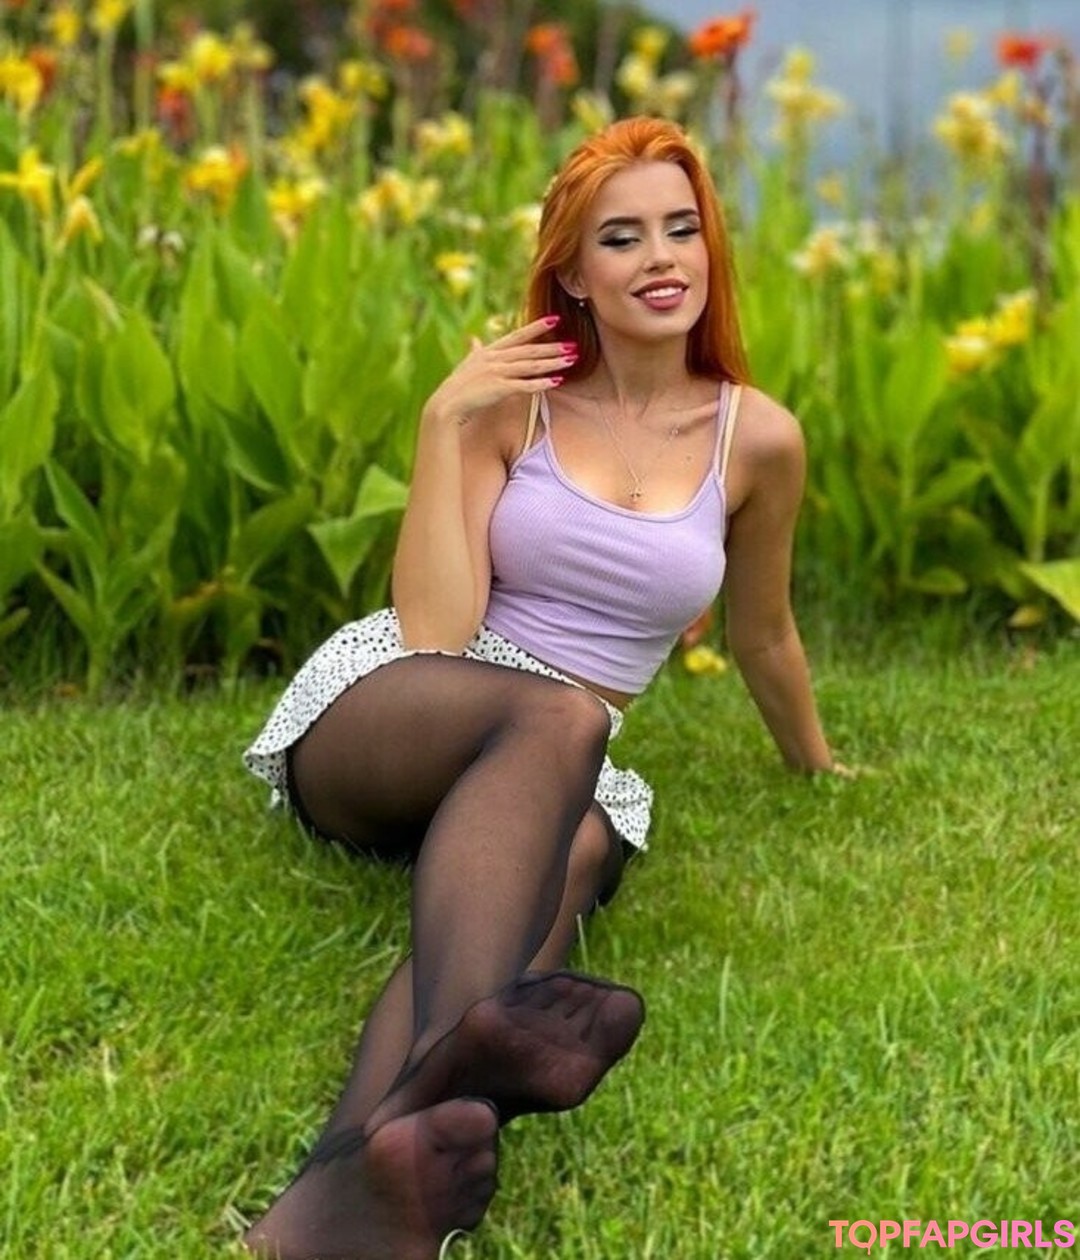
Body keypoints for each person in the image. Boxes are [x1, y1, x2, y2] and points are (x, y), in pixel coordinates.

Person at [240, 115, 838, 1260]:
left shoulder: (757, 440)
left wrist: (817, 764)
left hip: (564, 763)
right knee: (563, 713)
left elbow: (764, 635)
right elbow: (432, 631)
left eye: (681, 229)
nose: (660, 258)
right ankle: (452, 1065)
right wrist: (442, 422)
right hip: (408, 707)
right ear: (572, 273)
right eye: (622, 237)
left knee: (577, 844)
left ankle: (344, 1191)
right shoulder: (516, 402)